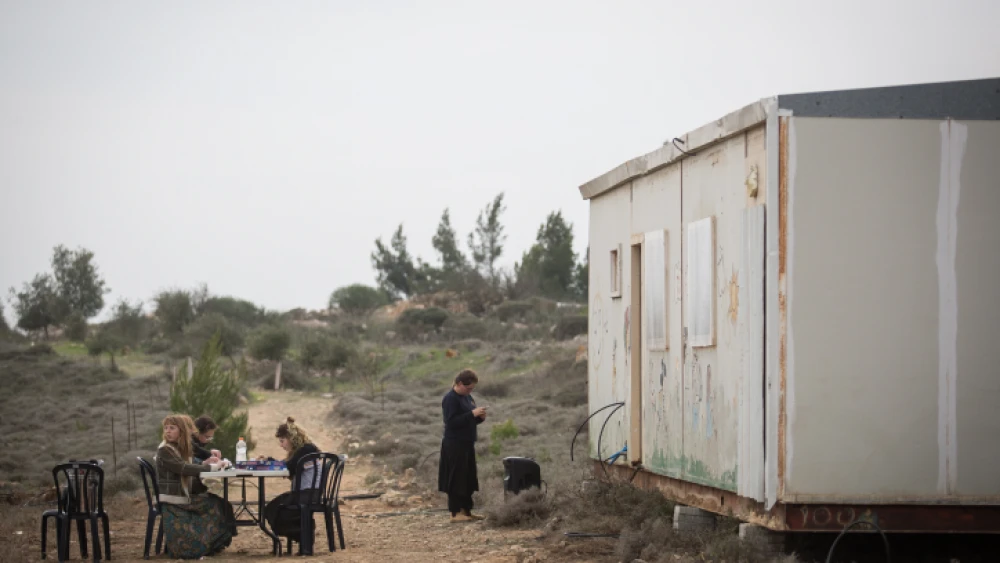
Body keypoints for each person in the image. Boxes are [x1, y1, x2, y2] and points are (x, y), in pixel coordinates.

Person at [156, 415, 236, 559]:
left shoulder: (176, 447)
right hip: (176, 499)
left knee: (221, 504)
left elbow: (189, 465)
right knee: (219, 505)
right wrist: (211, 468)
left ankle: (212, 544)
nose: (168, 431)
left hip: (182, 494)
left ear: (181, 431)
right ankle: (204, 544)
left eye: (172, 428)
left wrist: (205, 464)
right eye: (166, 428)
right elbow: (183, 468)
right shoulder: (165, 450)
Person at [263, 417, 321, 554]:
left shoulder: (306, 450)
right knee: (273, 507)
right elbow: (289, 466)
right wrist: (271, 462)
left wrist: (271, 463)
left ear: (291, 438)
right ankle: (304, 536)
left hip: (307, 494)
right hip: (308, 492)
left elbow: (289, 467)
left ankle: (304, 536)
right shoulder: (304, 449)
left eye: (282, 441)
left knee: (274, 508)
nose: (281, 445)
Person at [438, 369, 487, 523]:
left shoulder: (467, 398)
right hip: (454, 444)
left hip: (467, 443)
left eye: (472, 388)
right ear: (459, 384)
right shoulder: (450, 399)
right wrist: (472, 414)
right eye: (468, 388)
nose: (470, 391)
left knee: (468, 478)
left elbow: (467, 420)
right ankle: (455, 512)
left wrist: (479, 418)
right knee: (456, 478)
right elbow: (451, 422)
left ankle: (467, 510)